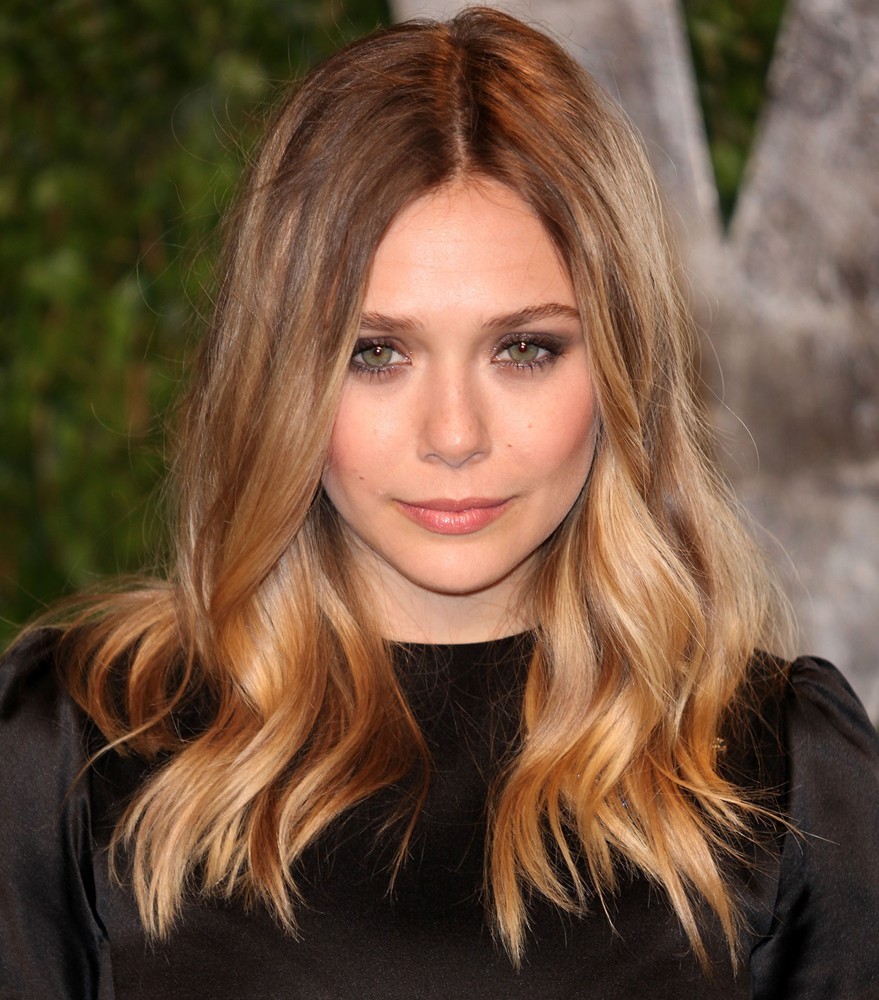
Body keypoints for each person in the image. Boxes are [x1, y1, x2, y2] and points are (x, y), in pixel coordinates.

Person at [1, 8, 877, 999]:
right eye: (376, 352)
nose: (453, 434)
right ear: (280, 376)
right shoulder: (77, 750)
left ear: (622, 367)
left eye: (524, 349)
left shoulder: (784, 775)